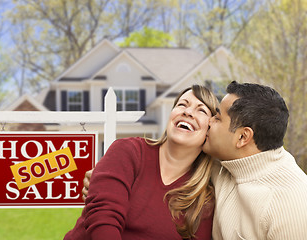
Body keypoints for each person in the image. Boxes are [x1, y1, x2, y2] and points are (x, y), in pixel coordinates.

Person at [82, 81, 307, 239]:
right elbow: (104, 210)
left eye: (214, 117)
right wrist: (104, 180)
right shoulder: (223, 166)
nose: (191, 114)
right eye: (182, 104)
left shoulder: (291, 204)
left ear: (242, 137)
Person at [63, 85, 219, 240]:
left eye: (201, 110)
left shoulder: (203, 199)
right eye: (182, 104)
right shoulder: (128, 151)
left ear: (210, 130)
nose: (187, 112)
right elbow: (103, 219)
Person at [202, 81, 307, 239]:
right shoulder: (225, 162)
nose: (209, 122)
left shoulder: (291, 203)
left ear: (243, 137)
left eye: (217, 118)